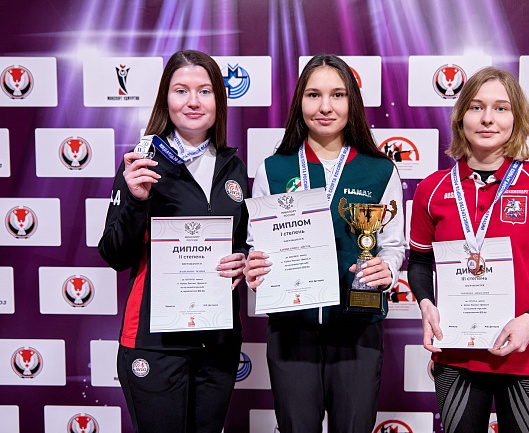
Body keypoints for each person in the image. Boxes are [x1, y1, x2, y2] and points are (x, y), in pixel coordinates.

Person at [408, 66, 529, 433]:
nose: (488, 118)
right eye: (476, 107)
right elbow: (420, 262)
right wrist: (425, 303)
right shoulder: (432, 189)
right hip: (457, 353)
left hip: (527, 355)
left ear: (516, 117)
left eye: (501, 108)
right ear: (461, 117)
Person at [244, 54, 406, 433]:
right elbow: (256, 243)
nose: (325, 107)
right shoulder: (274, 168)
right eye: (314, 95)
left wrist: (387, 268)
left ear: (352, 102)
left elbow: (393, 245)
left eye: (338, 95)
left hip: (357, 327)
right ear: (300, 101)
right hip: (292, 328)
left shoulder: (379, 169)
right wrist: (255, 265)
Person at [98, 50, 249, 433]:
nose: (193, 101)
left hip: (217, 342)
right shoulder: (142, 164)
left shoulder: (233, 166)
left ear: (219, 100)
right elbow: (114, 254)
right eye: (181, 90)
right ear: (166, 98)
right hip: (155, 342)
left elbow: (244, 241)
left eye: (205, 91)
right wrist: (136, 200)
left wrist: (243, 260)